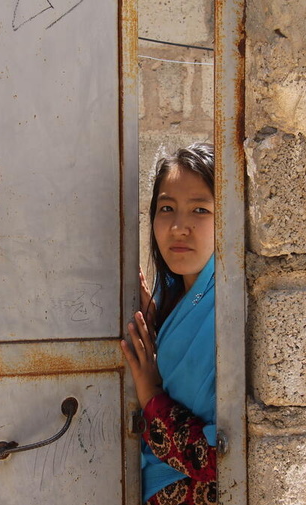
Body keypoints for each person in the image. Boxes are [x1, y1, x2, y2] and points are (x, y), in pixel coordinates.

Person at [121, 143, 217, 505]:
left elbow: (219, 459)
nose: (179, 227)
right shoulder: (171, 296)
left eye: (200, 210)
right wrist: (156, 320)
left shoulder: (229, 315)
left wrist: (151, 395)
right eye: (166, 208)